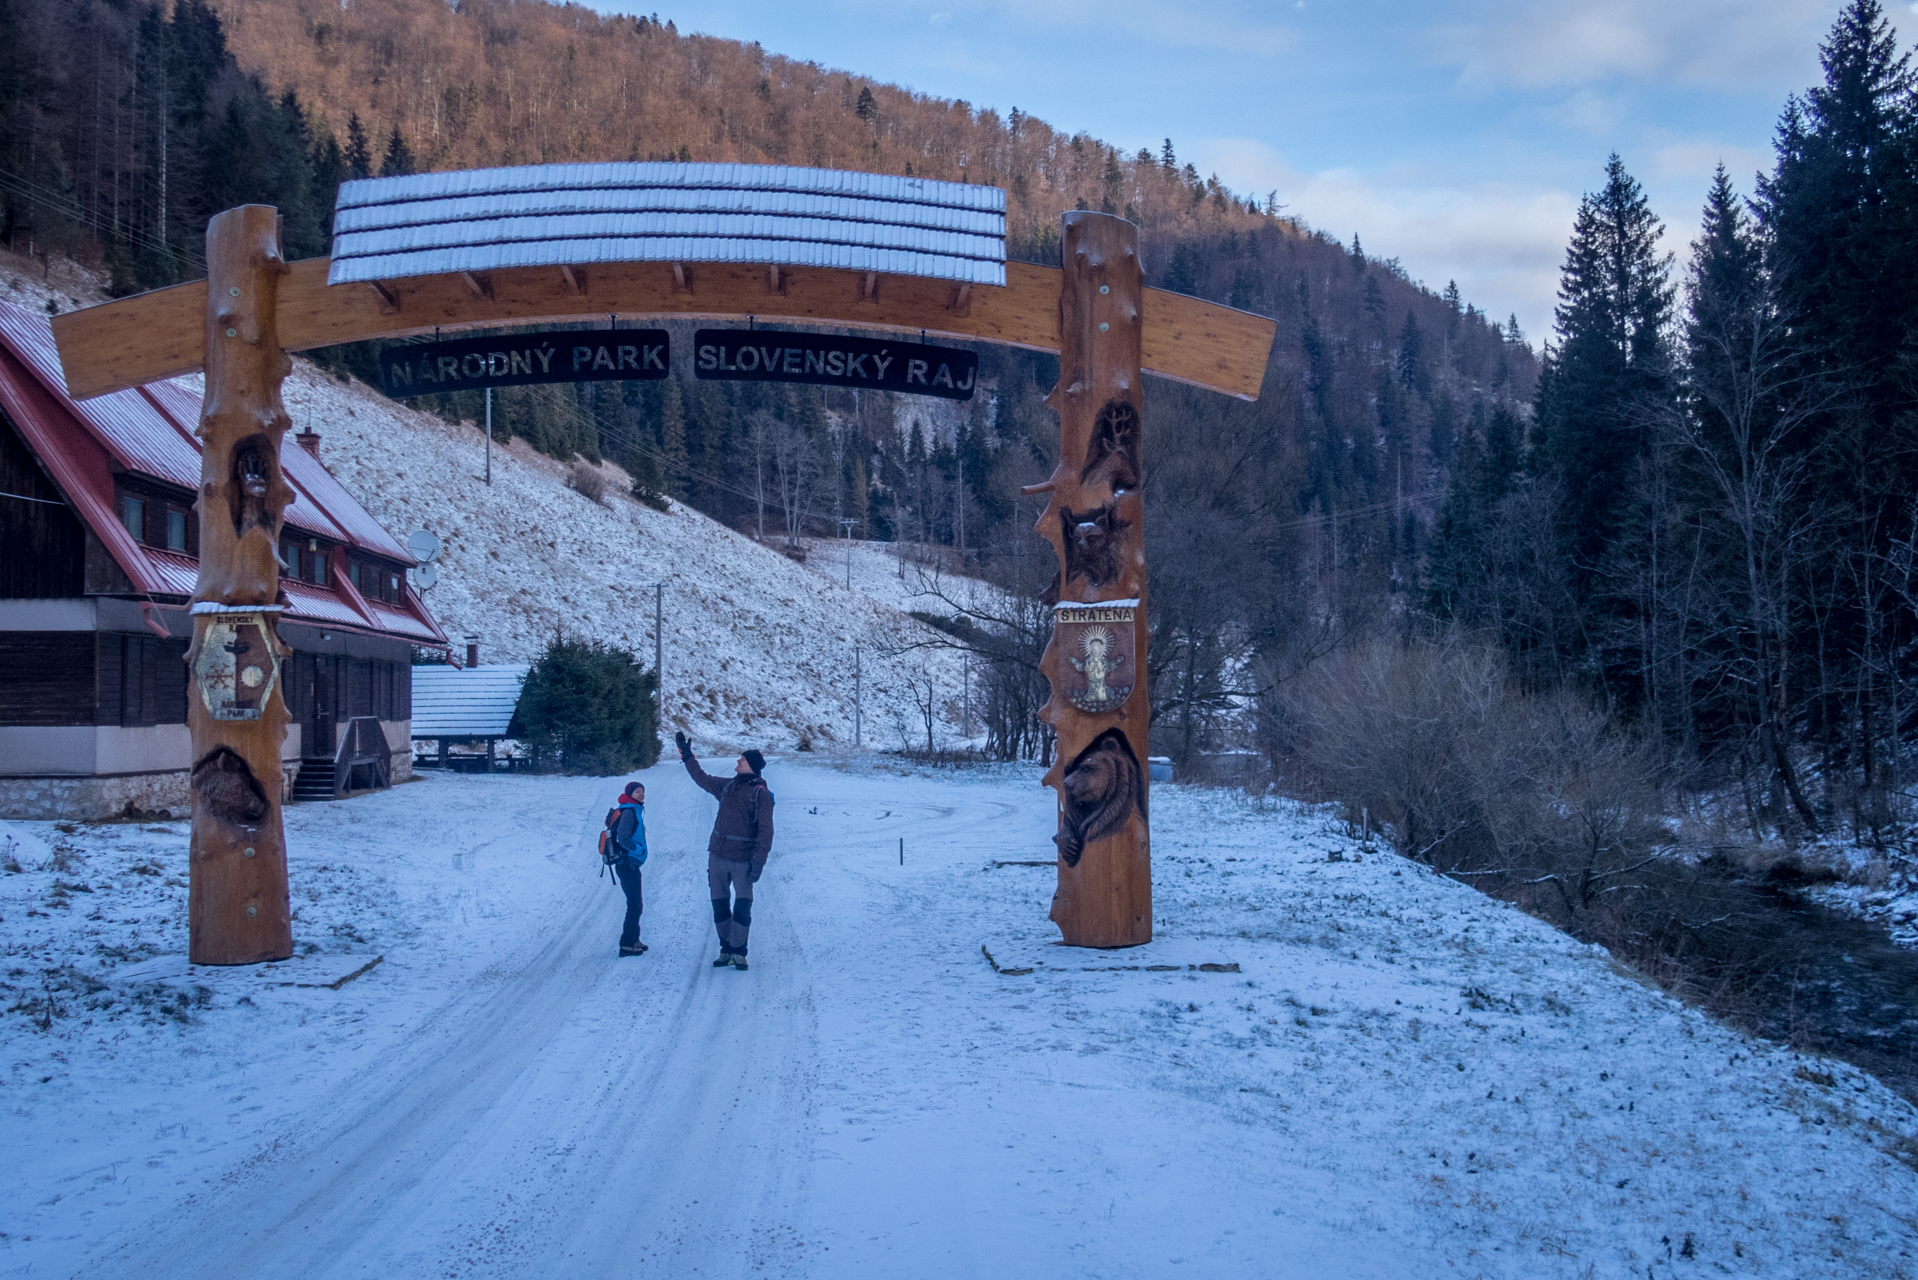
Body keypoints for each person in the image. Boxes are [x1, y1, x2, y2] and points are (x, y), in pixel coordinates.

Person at [675, 732, 773, 970]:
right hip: (717, 856)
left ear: (752, 766)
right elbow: (701, 778)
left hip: (742, 859)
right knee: (719, 904)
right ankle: (726, 949)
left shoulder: (761, 794)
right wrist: (687, 756)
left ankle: (739, 952)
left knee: (742, 905)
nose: (737, 762)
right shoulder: (727, 785)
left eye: (742, 760)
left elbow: (766, 832)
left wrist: (758, 862)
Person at [610, 781, 648, 957]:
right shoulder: (629, 811)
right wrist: (638, 850)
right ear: (630, 794)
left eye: (642, 791)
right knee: (634, 905)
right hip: (627, 864)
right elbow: (623, 838)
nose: (641, 794)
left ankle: (634, 939)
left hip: (630, 863)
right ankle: (627, 945)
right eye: (637, 791)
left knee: (636, 904)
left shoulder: (633, 809)